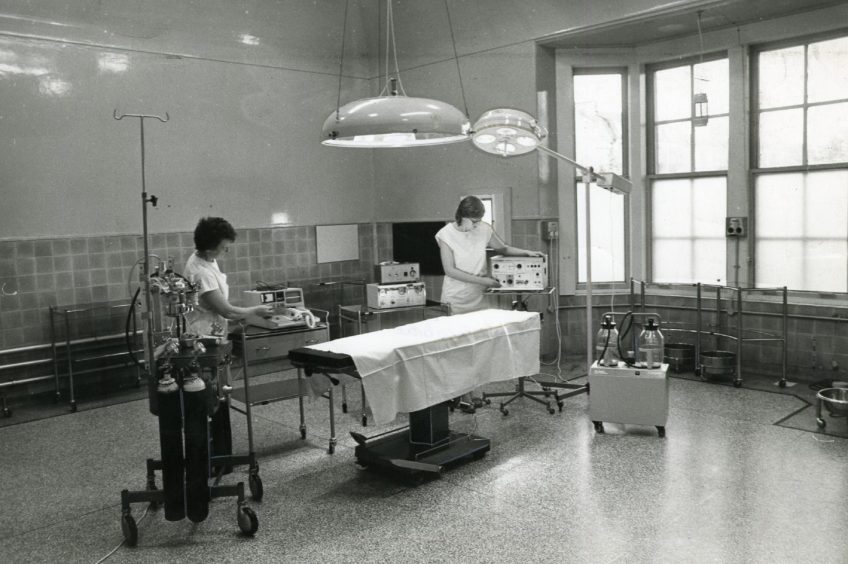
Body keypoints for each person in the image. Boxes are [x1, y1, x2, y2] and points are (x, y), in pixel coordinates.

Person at [435, 196, 543, 411]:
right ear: (460, 216)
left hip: (477, 296)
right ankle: (461, 396)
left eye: (478, 221)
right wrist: (484, 280)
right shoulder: (445, 235)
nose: (475, 226)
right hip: (456, 296)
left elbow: (502, 249)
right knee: (459, 349)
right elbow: (450, 270)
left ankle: (471, 394)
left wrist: (527, 253)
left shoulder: (482, 229)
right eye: (472, 222)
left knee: (476, 347)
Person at [183, 217, 273, 337]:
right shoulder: (201, 273)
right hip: (203, 336)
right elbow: (228, 312)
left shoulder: (204, 257)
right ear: (209, 249)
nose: (226, 251)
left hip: (213, 330)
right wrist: (256, 311)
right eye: (224, 248)